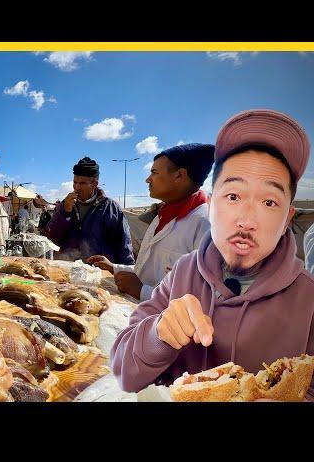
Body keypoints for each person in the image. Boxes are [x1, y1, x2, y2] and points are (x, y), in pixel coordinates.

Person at [110, 109, 314, 400]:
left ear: (287, 218)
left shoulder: (309, 300)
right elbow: (122, 364)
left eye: (269, 202)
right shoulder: (182, 276)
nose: (246, 220)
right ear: (214, 203)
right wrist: (158, 334)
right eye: (233, 196)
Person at [87, 144, 214, 301]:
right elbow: (147, 270)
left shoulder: (207, 226)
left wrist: (144, 291)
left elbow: (206, 299)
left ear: (180, 175)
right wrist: (114, 267)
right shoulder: (162, 216)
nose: (147, 179)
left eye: (154, 172)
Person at [46, 157, 134, 263]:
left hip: (98, 271)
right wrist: (65, 213)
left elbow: (124, 245)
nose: (76, 187)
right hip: (68, 268)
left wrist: (127, 270)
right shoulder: (65, 205)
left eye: (82, 183)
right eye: (75, 182)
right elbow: (52, 237)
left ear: (94, 184)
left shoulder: (111, 208)